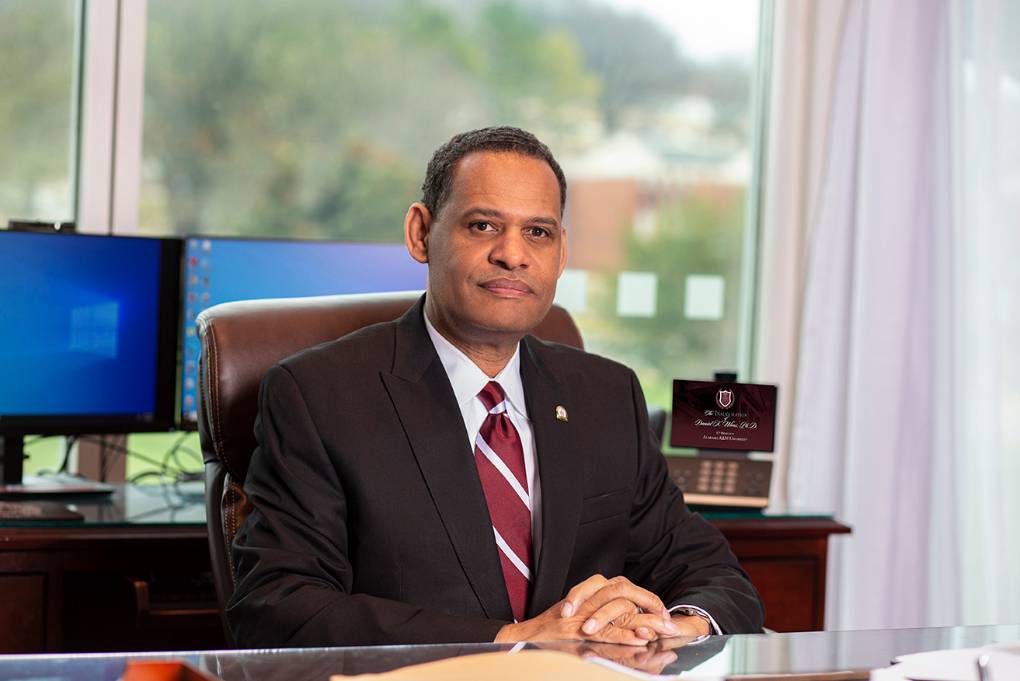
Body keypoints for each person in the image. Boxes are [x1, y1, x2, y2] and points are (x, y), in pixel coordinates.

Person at [228, 126, 764, 647]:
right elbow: (280, 606)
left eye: (538, 232)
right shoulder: (319, 395)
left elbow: (709, 572)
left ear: (560, 253)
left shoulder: (607, 395)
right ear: (421, 233)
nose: (514, 254)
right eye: (484, 225)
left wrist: (673, 626)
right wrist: (513, 640)